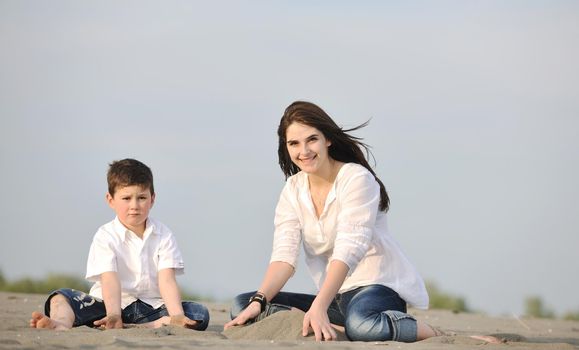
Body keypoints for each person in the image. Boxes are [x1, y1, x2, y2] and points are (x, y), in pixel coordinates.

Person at [225, 101, 441, 342]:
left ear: (327, 139)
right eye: (294, 143)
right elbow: (284, 257)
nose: (304, 151)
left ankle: (432, 332)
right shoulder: (292, 190)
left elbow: (349, 249)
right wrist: (259, 300)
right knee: (242, 305)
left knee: (362, 325)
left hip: (376, 288)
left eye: (312, 140)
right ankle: (336, 327)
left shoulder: (356, 178)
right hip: (334, 298)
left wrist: (318, 305)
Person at [30, 158, 209, 331]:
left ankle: (145, 324)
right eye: (126, 198)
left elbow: (167, 279)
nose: (135, 205)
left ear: (152, 199)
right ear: (111, 200)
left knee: (199, 313)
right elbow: (109, 279)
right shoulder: (105, 235)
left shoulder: (164, 234)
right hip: (110, 305)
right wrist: (114, 314)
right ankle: (61, 323)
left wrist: (177, 315)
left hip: (152, 308)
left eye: (141, 198)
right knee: (60, 297)